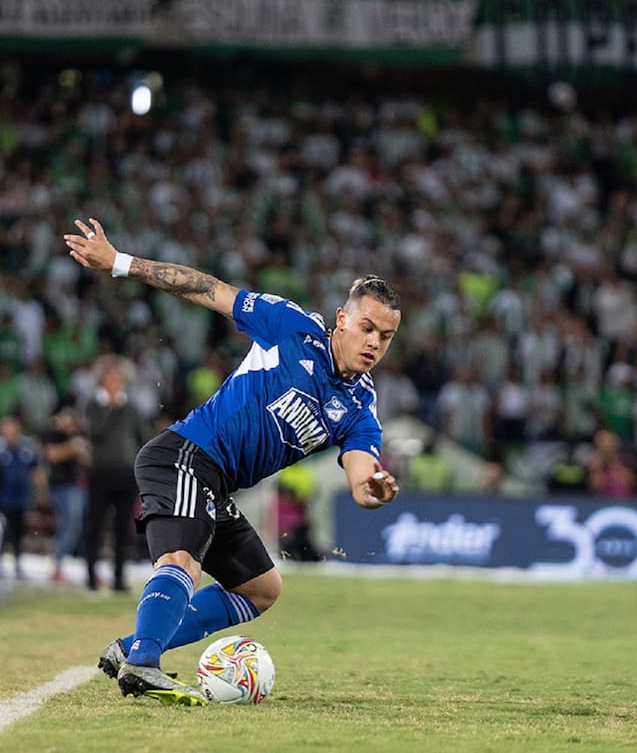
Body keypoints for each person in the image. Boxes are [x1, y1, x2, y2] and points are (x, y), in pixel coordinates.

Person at [65, 217, 402, 706]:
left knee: (262, 588)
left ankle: (135, 647)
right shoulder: (292, 327)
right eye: (367, 327)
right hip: (183, 455)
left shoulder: (358, 409)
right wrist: (118, 262)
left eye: (386, 336)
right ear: (342, 319)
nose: (374, 342)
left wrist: (371, 490)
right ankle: (143, 665)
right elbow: (207, 290)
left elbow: (361, 474)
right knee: (183, 561)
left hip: (215, 484)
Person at [82, 355, 152, 592]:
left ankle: (119, 579)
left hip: (126, 475)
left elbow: (144, 437)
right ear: (102, 381)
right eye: (110, 378)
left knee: (123, 529)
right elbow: (94, 432)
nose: (115, 382)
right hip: (100, 473)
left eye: (118, 378)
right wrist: (110, 407)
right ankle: (91, 579)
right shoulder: (93, 407)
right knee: (95, 526)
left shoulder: (131, 408)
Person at [42, 407, 90, 582]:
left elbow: (87, 458)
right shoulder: (54, 435)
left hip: (79, 486)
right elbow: (52, 455)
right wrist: (72, 447)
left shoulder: (79, 435)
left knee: (82, 527)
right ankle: (57, 566)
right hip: (62, 487)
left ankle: (86, 568)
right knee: (69, 525)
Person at [0, 416, 39, 579]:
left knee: (18, 532)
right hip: (3, 499)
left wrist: (36, 494)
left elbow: (35, 472)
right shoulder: (2, 451)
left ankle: (17, 563)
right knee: (4, 533)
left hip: (20, 499)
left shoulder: (26, 450)